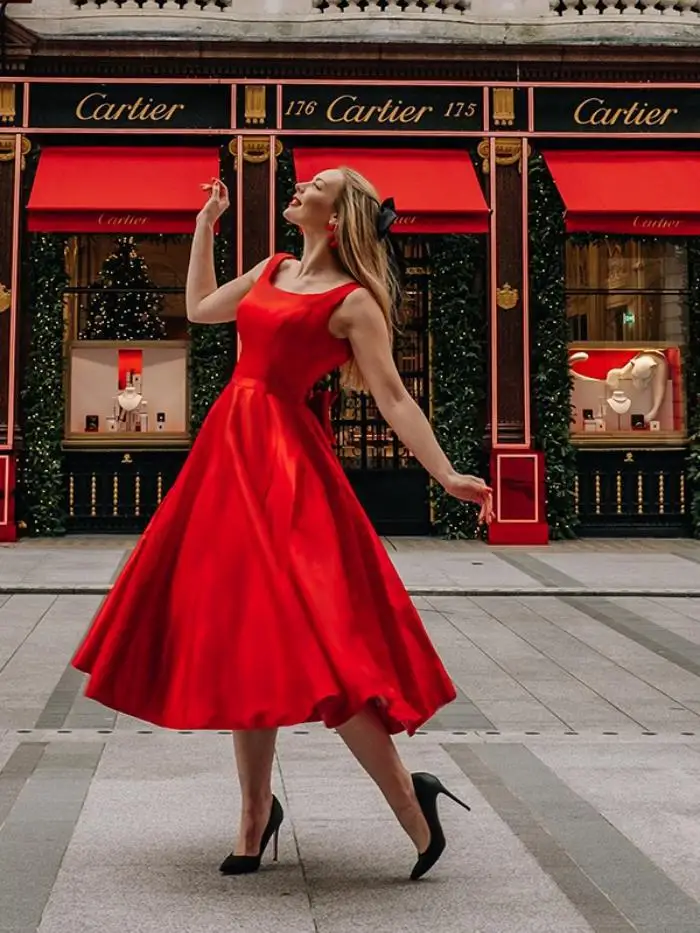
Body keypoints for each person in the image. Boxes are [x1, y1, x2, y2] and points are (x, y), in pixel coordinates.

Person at [72, 167, 494, 883]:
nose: (299, 186)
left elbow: (394, 398)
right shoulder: (271, 268)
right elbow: (200, 308)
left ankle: (411, 802)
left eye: (316, 184)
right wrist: (205, 226)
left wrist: (449, 475)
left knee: (326, 643)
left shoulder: (354, 302)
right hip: (227, 461)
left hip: (289, 472)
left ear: (338, 215)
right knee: (249, 637)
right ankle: (252, 814)